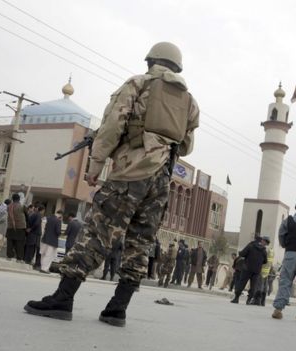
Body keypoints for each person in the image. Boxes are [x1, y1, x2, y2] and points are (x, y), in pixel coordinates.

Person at [24, 42, 199, 327]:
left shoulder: (138, 84)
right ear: (177, 67)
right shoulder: (190, 102)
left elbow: (112, 126)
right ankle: (117, 309)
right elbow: (188, 146)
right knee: (140, 243)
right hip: (161, 181)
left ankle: (63, 298)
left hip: (130, 172)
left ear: (151, 61)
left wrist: (95, 165)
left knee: (98, 232)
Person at [231, 236, 267, 304]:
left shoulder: (250, 246)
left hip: (247, 268)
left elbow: (242, 254)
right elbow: (265, 261)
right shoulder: (263, 250)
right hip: (256, 270)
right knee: (253, 285)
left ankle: (236, 298)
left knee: (242, 283)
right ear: (261, 241)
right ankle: (249, 300)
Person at [6, 193, 27, 262]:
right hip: (20, 228)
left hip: (10, 227)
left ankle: (9, 256)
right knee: (19, 243)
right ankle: (19, 258)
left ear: (12, 199)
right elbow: (27, 216)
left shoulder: (9, 206)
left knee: (10, 242)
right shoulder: (22, 206)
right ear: (19, 199)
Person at [254, 236, 274, 306]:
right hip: (267, 271)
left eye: (262, 241)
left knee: (259, 285)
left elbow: (262, 259)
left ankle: (257, 301)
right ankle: (262, 302)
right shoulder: (271, 250)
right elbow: (271, 262)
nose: (261, 242)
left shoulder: (264, 249)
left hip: (262, 269)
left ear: (264, 241)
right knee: (265, 286)